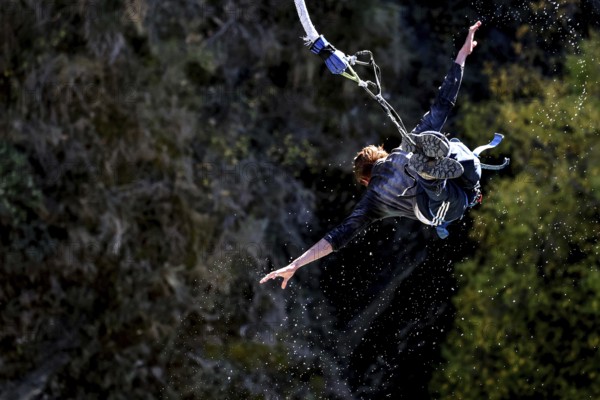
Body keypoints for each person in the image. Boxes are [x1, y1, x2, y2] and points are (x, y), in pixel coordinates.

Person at [261, 21, 483, 289]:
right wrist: (461, 56)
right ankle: (433, 165)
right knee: (461, 154)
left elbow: (338, 236)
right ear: (382, 154)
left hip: (439, 207)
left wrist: (296, 263)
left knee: (441, 184)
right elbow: (442, 103)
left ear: (366, 180)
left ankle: (430, 175)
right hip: (459, 181)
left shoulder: (373, 200)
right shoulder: (403, 149)